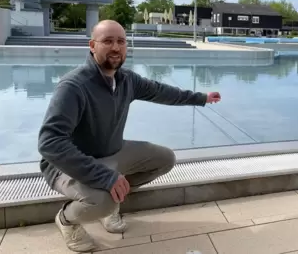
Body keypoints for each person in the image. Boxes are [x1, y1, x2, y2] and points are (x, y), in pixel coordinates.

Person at [37, 20, 221, 252]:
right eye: (108, 41)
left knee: (164, 159)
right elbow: (49, 142)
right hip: (66, 166)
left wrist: (200, 97)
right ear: (92, 46)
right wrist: (104, 177)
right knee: (103, 200)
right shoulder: (74, 86)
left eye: (121, 41)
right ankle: (66, 220)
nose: (116, 47)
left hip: (111, 152)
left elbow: (160, 91)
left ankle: (113, 198)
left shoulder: (126, 80)